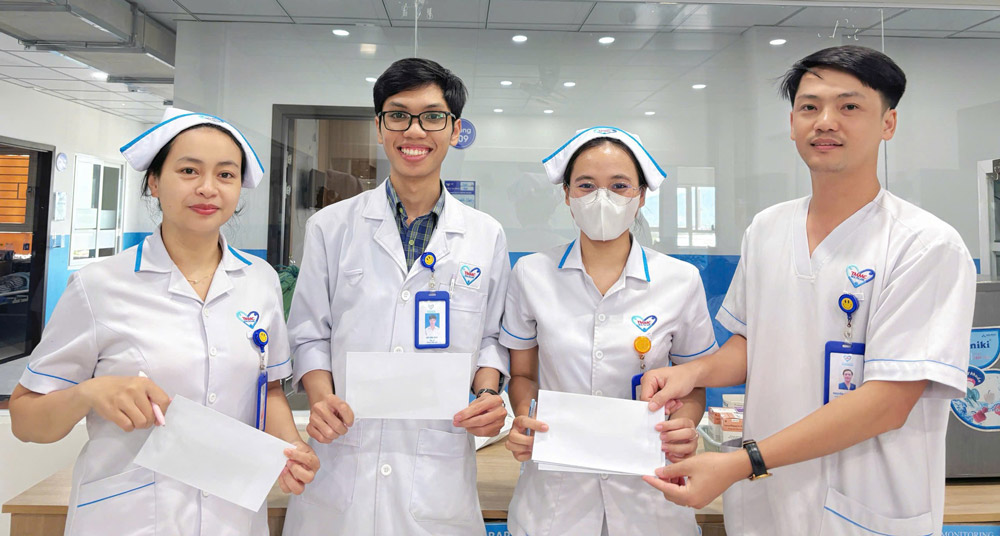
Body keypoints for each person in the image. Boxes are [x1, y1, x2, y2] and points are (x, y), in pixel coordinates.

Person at [640, 45, 976, 536]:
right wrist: (692, 372)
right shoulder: (768, 228)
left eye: (850, 106)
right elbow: (753, 345)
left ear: (888, 123)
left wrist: (742, 462)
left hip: (863, 506)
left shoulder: (925, 245)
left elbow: (888, 400)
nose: (825, 121)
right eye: (809, 106)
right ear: (793, 121)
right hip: (765, 505)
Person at [8, 108, 319, 536]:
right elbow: (25, 420)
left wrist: (292, 448)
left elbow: (268, 390)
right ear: (154, 182)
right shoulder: (100, 285)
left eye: (225, 175)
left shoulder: (260, 280)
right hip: (130, 519)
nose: (208, 188)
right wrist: (91, 393)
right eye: (189, 170)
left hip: (233, 516)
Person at [282, 58, 511, 535]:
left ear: (455, 129)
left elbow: (490, 336)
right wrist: (321, 400)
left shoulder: (485, 235)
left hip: (438, 472)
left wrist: (488, 393)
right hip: (343, 461)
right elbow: (308, 335)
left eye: (432, 116)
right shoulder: (330, 227)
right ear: (380, 126)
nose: (415, 130)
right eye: (398, 114)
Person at [501, 127, 716, 536]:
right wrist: (526, 418)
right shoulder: (531, 274)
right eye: (586, 185)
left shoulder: (680, 280)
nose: (603, 198)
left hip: (651, 497)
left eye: (619, 186)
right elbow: (524, 375)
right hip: (555, 498)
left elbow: (694, 383)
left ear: (641, 196)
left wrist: (684, 425)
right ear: (567, 195)